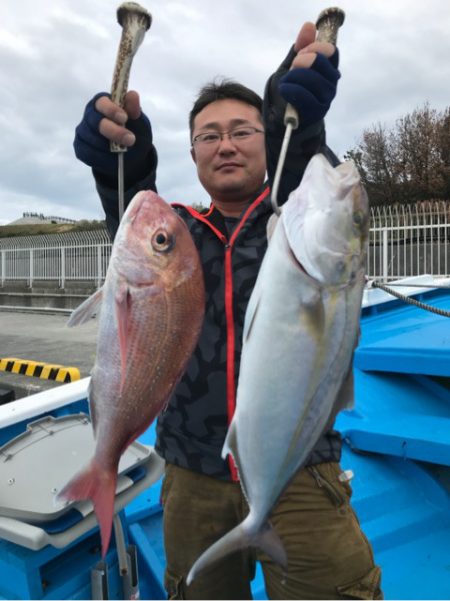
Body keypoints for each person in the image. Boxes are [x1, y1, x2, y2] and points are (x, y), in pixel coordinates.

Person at [74, 20, 383, 600]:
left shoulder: (295, 220)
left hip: (301, 467)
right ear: (191, 154)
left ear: (268, 140)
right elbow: (138, 234)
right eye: (207, 136)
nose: (225, 144)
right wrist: (122, 164)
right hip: (191, 472)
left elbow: (311, 194)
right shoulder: (179, 234)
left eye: (243, 130)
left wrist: (298, 118)